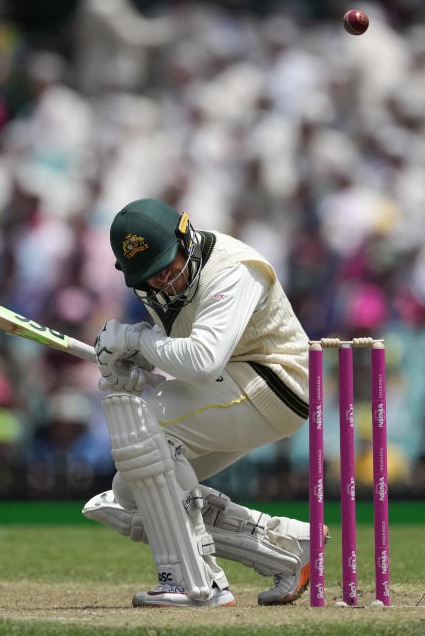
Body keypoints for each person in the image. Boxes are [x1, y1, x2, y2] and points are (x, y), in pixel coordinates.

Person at [83, 198, 315, 607]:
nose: (163, 284)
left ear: (186, 237)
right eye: (151, 277)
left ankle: (197, 583)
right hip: (236, 388)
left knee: (145, 433)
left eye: (169, 269)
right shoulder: (156, 283)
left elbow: (203, 362)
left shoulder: (232, 270)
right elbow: (175, 364)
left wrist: (136, 339)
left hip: (273, 384)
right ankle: (290, 549)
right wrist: (128, 369)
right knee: (136, 489)